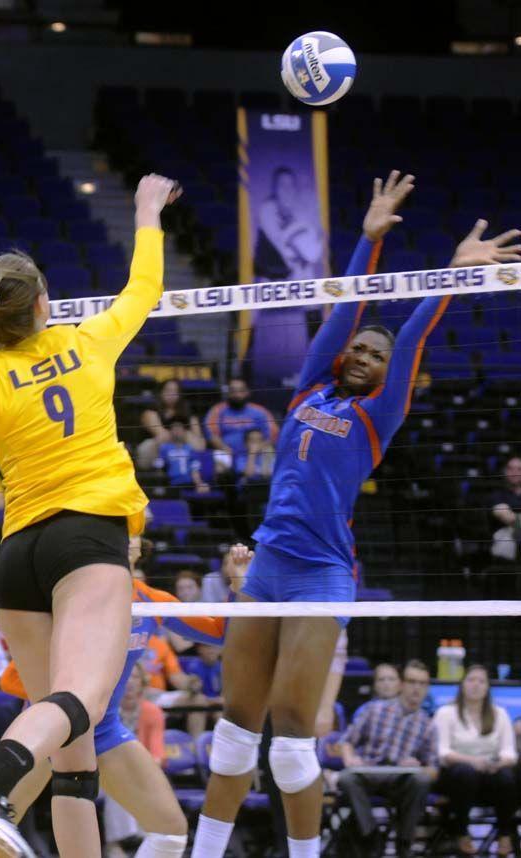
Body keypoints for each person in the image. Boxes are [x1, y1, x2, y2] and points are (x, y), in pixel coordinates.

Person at [189, 170, 521, 858]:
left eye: (379, 354)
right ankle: (203, 852)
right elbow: (343, 310)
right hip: (268, 569)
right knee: (235, 726)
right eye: (362, 350)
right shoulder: (311, 386)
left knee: (288, 729)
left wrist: (450, 279)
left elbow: (416, 335)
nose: (367, 355)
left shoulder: (379, 414)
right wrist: (368, 242)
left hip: (321, 576)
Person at [0, 174, 181, 858]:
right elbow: (144, 290)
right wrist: (147, 212)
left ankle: (5, 804)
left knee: (73, 754)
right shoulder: (85, 340)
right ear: (44, 303)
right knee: (83, 707)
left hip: (17, 560)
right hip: (87, 538)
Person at [0, 538, 250, 858]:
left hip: (104, 731)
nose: (119, 536)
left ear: (140, 548)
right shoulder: (73, 600)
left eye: (127, 531)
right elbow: (11, 679)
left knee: (170, 831)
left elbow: (221, 632)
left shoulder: (150, 601)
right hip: (52, 732)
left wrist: (238, 582)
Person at [338, 660, 438, 858]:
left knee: (422, 780)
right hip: (368, 773)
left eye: (422, 683)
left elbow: (433, 768)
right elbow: (346, 742)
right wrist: (350, 759)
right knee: (347, 778)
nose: (416, 688)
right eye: (411, 682)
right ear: (401, 684)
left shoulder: (427, 724)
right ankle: (371, 837)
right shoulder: (374, 710)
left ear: (427, 688)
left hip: (400, 782)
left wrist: (417, 766)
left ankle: (404, 842)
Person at [433, 665, 517, 856]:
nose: (476, 685)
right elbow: (442, 752)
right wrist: (473, 761)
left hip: (490, 775)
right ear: (462, 684)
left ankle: (505, 834)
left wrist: (497, 764)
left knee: (507, 776)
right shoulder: (446, 712)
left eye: (481, 681)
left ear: (488, 687)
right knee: (466, 772)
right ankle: (461, 832)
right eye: (471, 680)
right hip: (455, 777)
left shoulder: (500, 714)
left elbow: (510, 754)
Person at [104, 663, 166, 857]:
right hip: (104, 777)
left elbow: (157, 754)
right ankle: (119, 842)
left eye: (135, 678)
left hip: (143, 775)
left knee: (143, 784)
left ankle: (123, 843)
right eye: (126, 678)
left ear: (143, 683)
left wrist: (139, 771)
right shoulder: (104, 711)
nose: (130, 683)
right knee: (118, 783)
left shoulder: (152, 711)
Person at [254, 166, 325, 282]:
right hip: (268, 280)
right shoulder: (267, 210)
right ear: (274, 189)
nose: (287, 189)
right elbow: (282, 241)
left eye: (291, 185)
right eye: (282, 185)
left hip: (292, 277)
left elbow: (314, 252)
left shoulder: (299, 214)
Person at [204, 378, 278, 471]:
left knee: (269, 452)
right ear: (228, 393)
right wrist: (224, 448)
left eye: (241, 391)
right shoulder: (217, 410)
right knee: (219, 464)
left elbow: (273, 434)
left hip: (256, 452)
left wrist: (256, 450)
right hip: (226, 451)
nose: (237, 395)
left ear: (247, 392)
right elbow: (211, 435)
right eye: (233, 391)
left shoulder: (260, 411)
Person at [137, 378, 205, 469]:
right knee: (153, 443)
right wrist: (180, 433)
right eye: (168, 390)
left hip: (183, 449)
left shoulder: (188, 414)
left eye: (175, 391)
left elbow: (200, 443)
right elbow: (162, 435)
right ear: (161, 392)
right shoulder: (151, 412)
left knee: (196, 442)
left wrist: (184, 434)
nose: (171, 394)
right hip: (158, 449)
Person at [155, 419, 210, 493]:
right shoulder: (164, 448)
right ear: (170, 432)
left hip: (189, 483)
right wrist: (159, 485)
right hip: (172, 484)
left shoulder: (189, 448)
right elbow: (159, 468)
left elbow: (194, 468)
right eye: (174, 429)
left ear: (184, 432)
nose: (177, 432)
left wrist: (199, 484)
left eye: (180, 429)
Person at [489, 456, 521, 563]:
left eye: (519, 469)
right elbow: (506, 517)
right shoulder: (497, 495)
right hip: (506, 534)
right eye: (510, 468)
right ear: (505, 471)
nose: (514, 472)